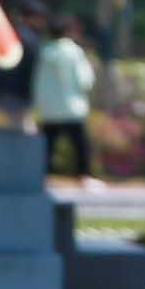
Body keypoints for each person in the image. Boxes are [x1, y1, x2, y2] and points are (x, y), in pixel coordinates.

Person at [29, 14, 99, 182]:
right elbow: (84, 79)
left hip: (49, 109)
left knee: (47, 146)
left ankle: (41, 176)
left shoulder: (44, 51)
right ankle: (84, 175)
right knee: (80, 145)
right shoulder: (73, 51)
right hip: (72, 107)